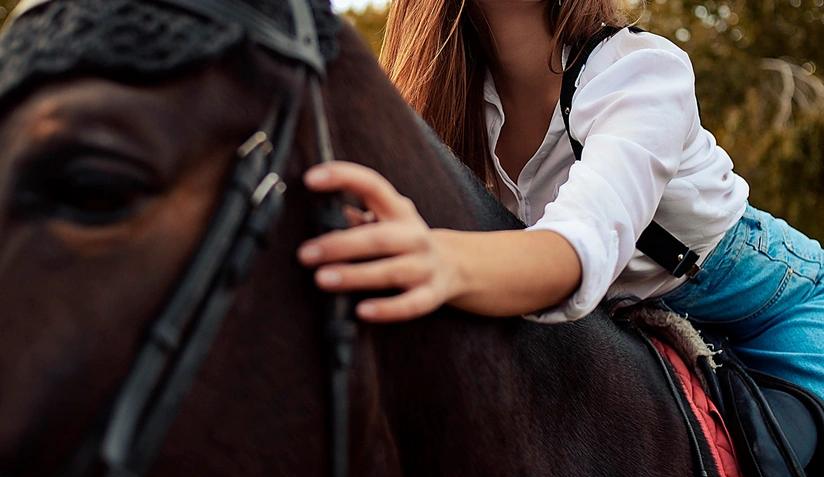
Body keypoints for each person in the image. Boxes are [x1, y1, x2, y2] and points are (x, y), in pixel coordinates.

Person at [297, 0, 824, 402]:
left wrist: (441, 259)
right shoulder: (440, 102)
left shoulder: (640, 71)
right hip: (612, 329)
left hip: (766, 305)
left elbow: (579, 245)